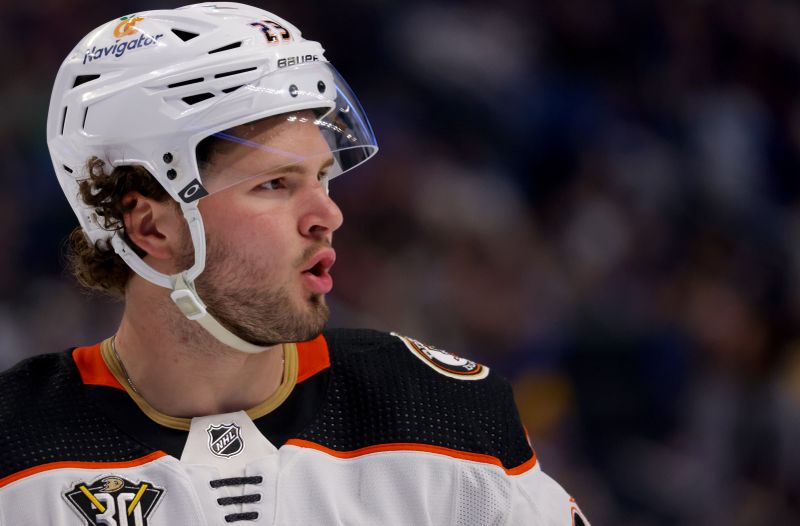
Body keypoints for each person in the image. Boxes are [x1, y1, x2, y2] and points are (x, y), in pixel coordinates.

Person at [0, 3, 589, 524]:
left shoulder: (442, 417)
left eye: (323, 178)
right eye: (276, 184)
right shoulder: (15, 457)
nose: (326, 215)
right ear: (152, 226)